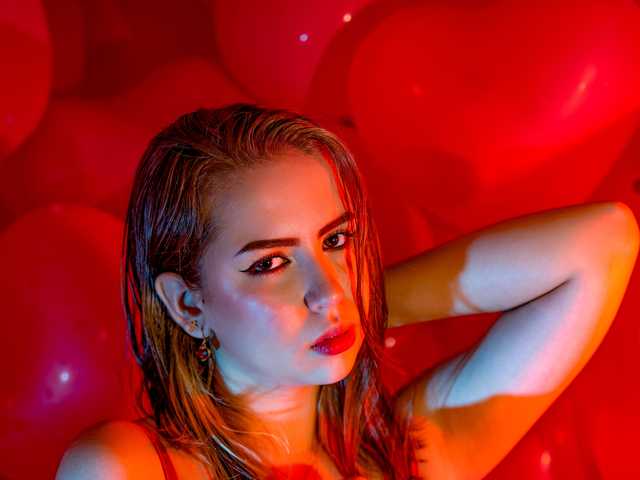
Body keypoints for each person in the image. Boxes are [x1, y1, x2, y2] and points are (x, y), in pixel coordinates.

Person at [56, 103, 639, 479]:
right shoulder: (125, 468)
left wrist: (364, 303)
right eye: (271, 263)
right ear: (188, 304)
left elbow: (604, 241)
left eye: (336, 240)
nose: (327, 290)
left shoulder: (407, 455)